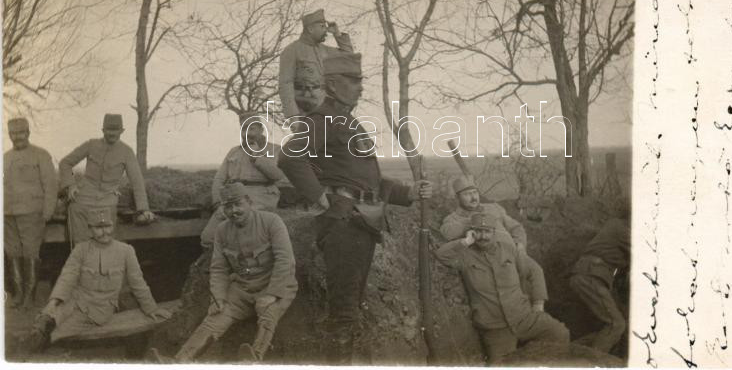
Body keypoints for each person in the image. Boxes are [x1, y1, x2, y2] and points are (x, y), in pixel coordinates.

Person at [278, 52, 432, 364]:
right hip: (344, 224)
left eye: (360, 81)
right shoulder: (323, 119)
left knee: (350, 307)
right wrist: (322, 198)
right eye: (354, 81)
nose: (361, 88)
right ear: (333, 85)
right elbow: (290, 157)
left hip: (361, 222)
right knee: (344, 313)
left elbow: (367, 181)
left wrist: (408, 193)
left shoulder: (347, 122)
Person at [148, 183, 297, 363]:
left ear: (249, 202)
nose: (234, 211)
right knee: (215, 317)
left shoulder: (271, 222)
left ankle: (254, 358)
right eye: (228, 206)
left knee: (268, 314)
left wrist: (272, 294)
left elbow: (285, 260)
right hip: (242, 288)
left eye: (238, 204)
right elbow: (219, 268)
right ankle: (181, 360)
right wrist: (218, 298)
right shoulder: (222, 230)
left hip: (272, 286)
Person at [27, 208, 170, 352]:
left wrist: (151, 308)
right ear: (90, 229)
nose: (104, 232)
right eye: (98, 228)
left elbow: (138, 283)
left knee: (61, 331)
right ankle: (43, 326)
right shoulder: (81, 249)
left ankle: (45, 339)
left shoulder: (126, 251)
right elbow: (67, 277)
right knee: (54, 312)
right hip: (78, 298)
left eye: (107, 226)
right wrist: (53, 303)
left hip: (100, 307)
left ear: (113, 226)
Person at [435, 212, 569, 364]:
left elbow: (534, 270)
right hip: (496, 328)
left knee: (560, 333)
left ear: (494, 232)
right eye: (478, 231)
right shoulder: (465, 256)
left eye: (487, 231)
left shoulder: (508, 250)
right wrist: (465, 242)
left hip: (524, 318)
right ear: (472, 232)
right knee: (500, 365)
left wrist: (538, 304)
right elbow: (441, 255)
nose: (483, 236)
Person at [439, 175, 549, 307]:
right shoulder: (453, 219)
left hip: (513, 252)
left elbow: (516, 227)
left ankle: (538, 310)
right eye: (467, 194)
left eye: (474, 193)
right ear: (457, 198)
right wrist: (473, 221)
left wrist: (520, 246)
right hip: (490, 260)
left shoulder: (494, 208)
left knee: (535, 271)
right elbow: (447, 232)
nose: (473, 197)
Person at [58, 114, 154, 244]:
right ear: (103, 130)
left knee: (105, 242)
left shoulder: (127, 152)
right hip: (83, 198)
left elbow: (137, 181)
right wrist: (70, 185)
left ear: (122, 131)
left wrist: (143, 208)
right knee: (79, 241)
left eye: (115, 130)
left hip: (107, 201)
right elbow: (65, 163)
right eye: (109, 130)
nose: (112, 133)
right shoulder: (91, 145)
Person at [199, 111, 287, 248]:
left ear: (261, 130)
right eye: (244, 129)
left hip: (261, 196)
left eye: (252, 128)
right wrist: (217, 202)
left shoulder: (275, 149)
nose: (248, 133)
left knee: (242, 235)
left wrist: (257, 156)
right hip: (233, 197)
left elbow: (278, 176)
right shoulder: (234, 151)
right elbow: (219, 178)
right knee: (208, 237)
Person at [4, 117, 57, 308]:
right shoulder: (5, 157)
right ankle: (18, 294)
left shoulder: (41, 155)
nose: (17, 137)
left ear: (28, 133)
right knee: (12, 253)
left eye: (21, 133)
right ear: (9, 135)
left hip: (32, 213)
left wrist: (47, 211)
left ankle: (29, 296)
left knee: (30, 253)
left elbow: (50, 185)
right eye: (13, 133)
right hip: (8, 214)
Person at [568, 212, 630, 353]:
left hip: (590, 276)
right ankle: (592, 362)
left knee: (611, 327)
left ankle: (566, 351)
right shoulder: (620, 227)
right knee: (616, 324)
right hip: (591, 276)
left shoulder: (615, 226)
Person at [278, 9, 354, 118]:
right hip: (305, 110)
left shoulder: (325, 50)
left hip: (327, 107)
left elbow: (349, 59)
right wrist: (293, 115)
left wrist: (337, 34)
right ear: (310, 29)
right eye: (322, 26)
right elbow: (285, 84)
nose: (326, 30)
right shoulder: (292, 51)